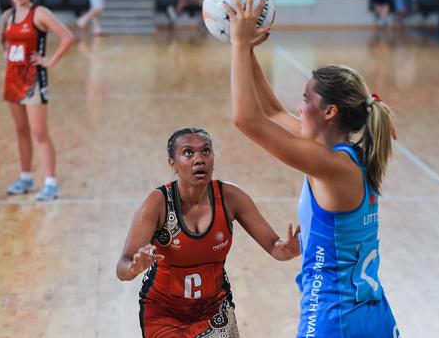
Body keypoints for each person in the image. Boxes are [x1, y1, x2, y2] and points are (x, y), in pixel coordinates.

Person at [224, 0, 399, 337]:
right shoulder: (345, 157)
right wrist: (248, 51)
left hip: (335, 320)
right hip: (371, 316)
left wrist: (237, 44)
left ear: (330, 112)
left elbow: (246, 119)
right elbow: (271, 112)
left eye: (306, 100)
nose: (299, 108)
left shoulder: (332, 167)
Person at [116, 128, 301, 338]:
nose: (199, 159)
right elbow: (122, 268)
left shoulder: (231, 197)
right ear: (172, 163)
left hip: (214, 309)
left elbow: (274, 247)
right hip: (163, 312)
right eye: (188, 153)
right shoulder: (157, 203)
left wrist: (287, 250)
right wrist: (133, 268)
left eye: (206, 151)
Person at [0, 0, 75, 201]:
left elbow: (67, 37)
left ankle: (51, 183)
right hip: (12, 79)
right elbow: (1, 38)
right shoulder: (7, 15)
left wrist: (49, 61)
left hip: (33, 81)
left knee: (39, 133)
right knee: (20, 131)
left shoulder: (39, 13)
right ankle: (25, 178)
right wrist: (5, 53)